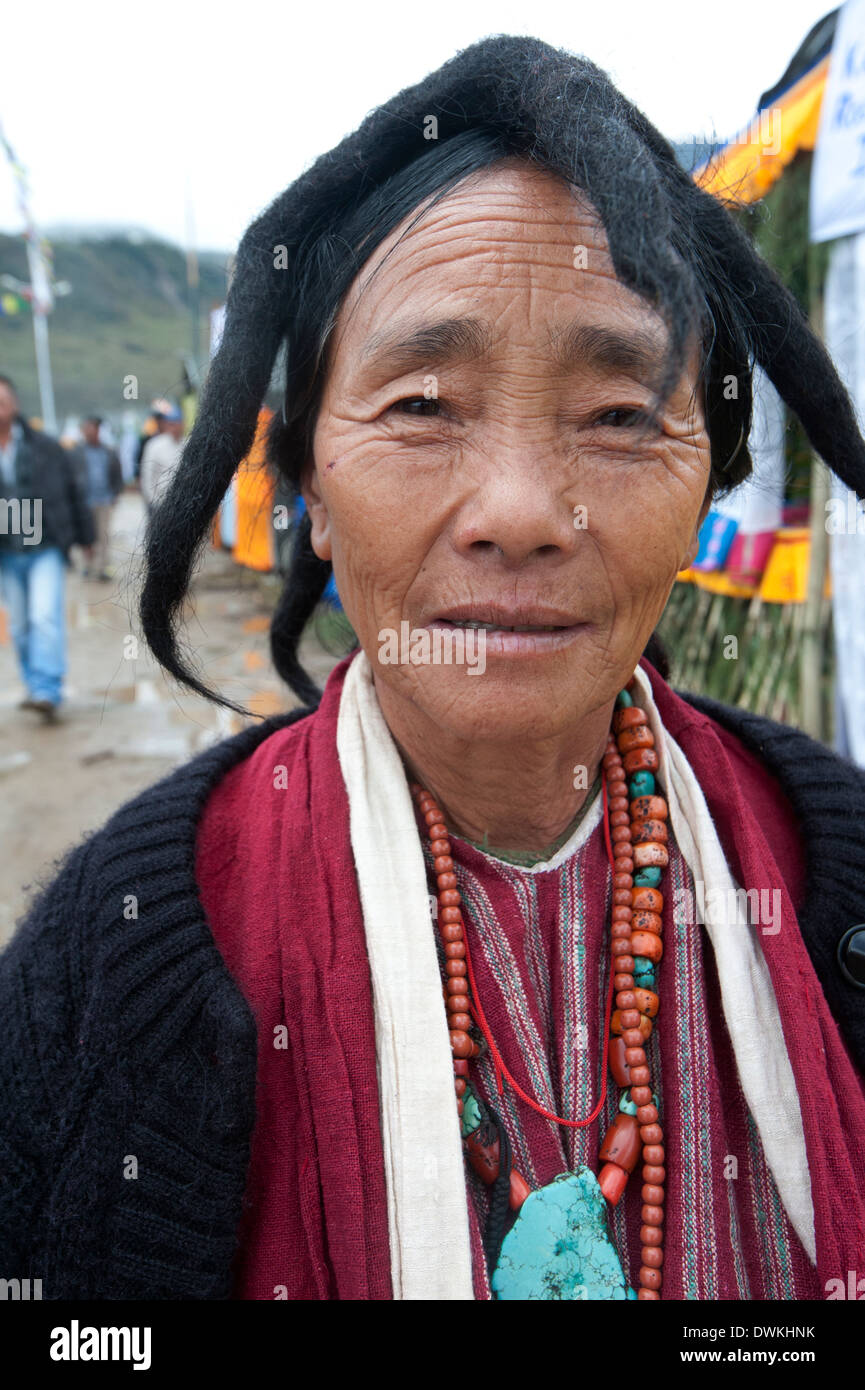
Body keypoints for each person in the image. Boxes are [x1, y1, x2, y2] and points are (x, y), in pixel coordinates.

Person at [2, 37, 865, 1302]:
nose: (518, 510)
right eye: (419, 404)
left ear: (703, 493)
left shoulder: (831, 861)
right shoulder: (116, 959)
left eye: (621, 416)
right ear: (310, 483)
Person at [0, 374, 94, 721]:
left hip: (45, 547)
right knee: (20, 624)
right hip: (7, 552)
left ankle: (48, 690)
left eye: (2, 400)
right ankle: (33, 683)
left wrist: (85, 536)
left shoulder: (46, 447)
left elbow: (72, 490)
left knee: (44, 616)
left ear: (15, 405)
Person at [77, 415, 123, 580]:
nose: (89, 432)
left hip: (104, 500)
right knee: (86, 536)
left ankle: (102, 568)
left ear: (98, 430)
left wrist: (115, 494)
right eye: (86, 428)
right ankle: (88, 566)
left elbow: (118, 474)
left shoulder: (109, 452)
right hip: (85, 502)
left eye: (92, 428)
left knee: (103, 535)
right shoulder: (78, 453)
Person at [139, 404, 184, 515]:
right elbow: (147, 476)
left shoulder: (187, 445)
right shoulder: (155, 445)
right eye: (171, 424)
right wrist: (152, 502)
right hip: (159, 504)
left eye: (177, 424)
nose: (174, 427)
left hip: (181, 505)